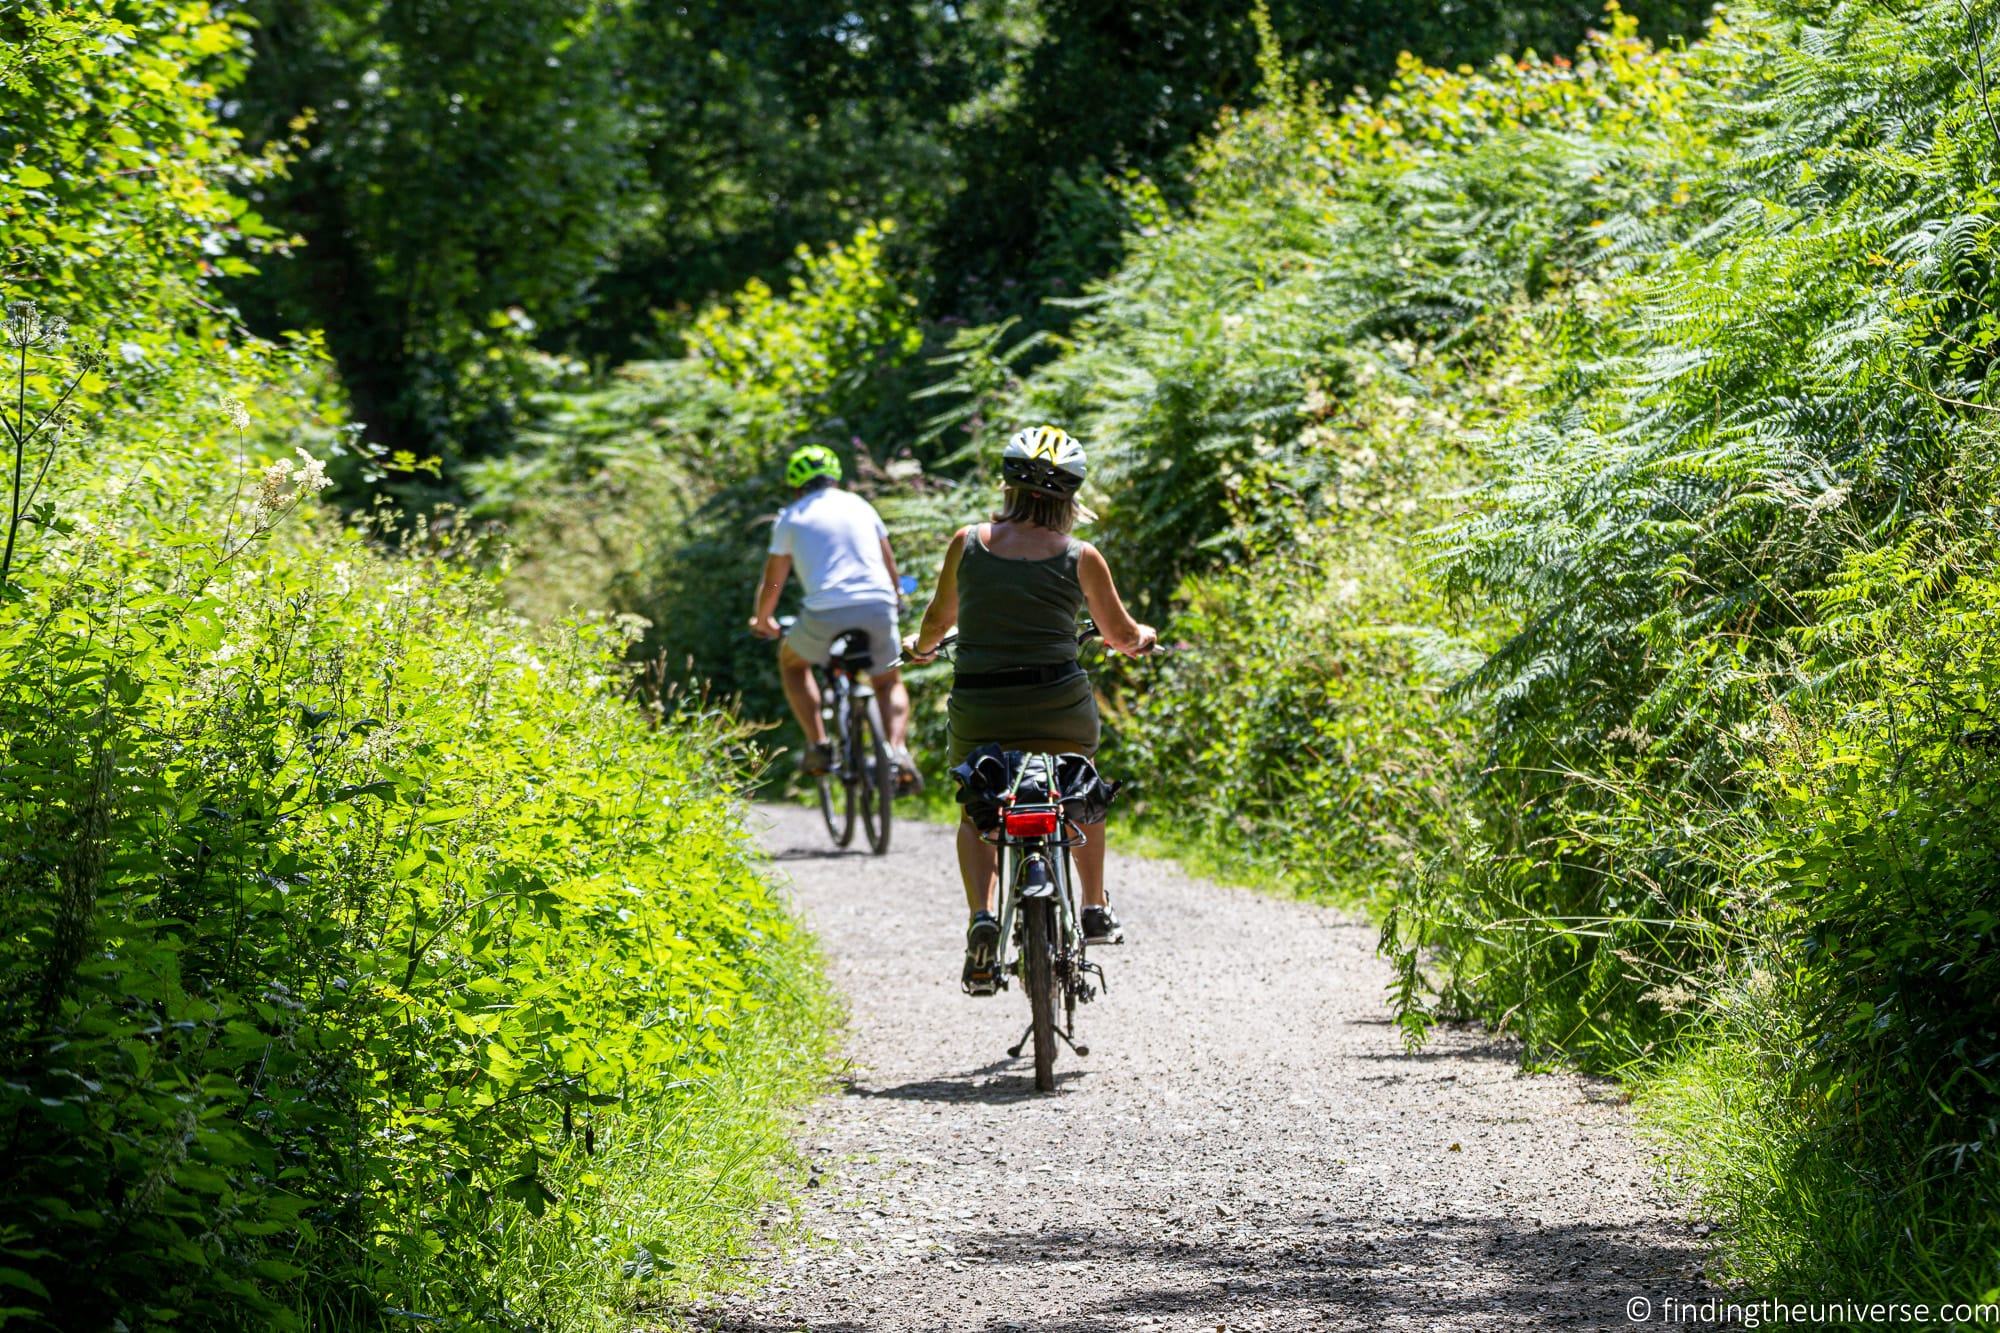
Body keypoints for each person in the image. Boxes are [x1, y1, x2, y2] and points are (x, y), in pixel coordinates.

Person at [902, 425, 1156, 993]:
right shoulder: (1081, 556)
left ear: (1008, 486)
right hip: (1058, 704)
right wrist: (1142, 637)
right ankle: (1093, 905)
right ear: (1071, 496)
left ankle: (983, 918)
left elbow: (937, 623)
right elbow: (1117, 634)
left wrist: (918, 652)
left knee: (976, 808)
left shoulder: (967, 542)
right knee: (1080, 788)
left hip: (981, 705)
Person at [750, 444, 917, 786]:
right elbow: (888, 560)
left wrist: (762, 619)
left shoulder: (791, 517)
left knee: (793, 664)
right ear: (835, 478)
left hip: (824, 612)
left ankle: (819, 744)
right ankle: (898, 751)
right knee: (888, 681)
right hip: (878, 603)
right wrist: (897, 596)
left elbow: (774, 579)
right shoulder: (861, 505)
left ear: (797, 486)